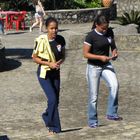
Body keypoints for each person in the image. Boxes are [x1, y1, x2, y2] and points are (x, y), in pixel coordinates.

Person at [83, 14, 122, 128]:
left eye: (106, 28)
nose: (105, 30)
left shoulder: (109, 32)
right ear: (97, 25)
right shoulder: (90, 36)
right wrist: (100, 57)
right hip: (93, 67)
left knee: (115, 85)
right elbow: (85, 54)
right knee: (93, 96)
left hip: (106, 65)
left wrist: (114, 52)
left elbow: (113, 46)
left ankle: (111, 113)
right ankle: (92, 120)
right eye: (103, 28)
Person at [32, 17, 65, 134]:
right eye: (51, 28)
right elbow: (34, 58)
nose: (54, 31)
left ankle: (46, 115)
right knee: (52, 99)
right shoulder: (41, 40)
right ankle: (53, 126)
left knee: (56, 101)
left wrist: (59, 63)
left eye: (56, 28)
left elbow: (63, 55)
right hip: (44, 74)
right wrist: (48, 63)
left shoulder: (61, 39)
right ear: (47, 28)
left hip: (55, 73)